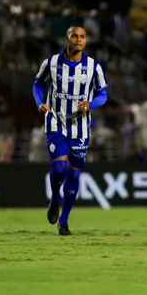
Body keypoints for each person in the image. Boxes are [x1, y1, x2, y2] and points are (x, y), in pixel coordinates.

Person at [33, 24, 108, 236]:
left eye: (82, 37)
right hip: (56, 121)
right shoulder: (51, 63)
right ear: (67, 38)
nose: (78, 40)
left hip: (81, 127)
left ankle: (64, 220)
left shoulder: (94, 67)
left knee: (74, 175)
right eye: (74, 36)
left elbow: (103, 93)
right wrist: (40, 102)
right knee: (59, 169)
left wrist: (90, 104)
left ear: (86, 41)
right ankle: (55, 197)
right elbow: (38, 84)